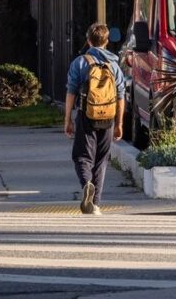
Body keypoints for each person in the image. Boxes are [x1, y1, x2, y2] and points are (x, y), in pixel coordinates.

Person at [64, 23, 126, 215]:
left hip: (86, 115)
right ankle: (95, 203)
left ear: (88, 40)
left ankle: (86, 184)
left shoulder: (80, 63)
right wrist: (119, 123)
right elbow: (121, 96)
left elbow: (71, 92)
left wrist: (68, 119)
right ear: (106, 42)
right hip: (108, 117)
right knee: (101, 160)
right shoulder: (114, 66)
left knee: (82, 156)